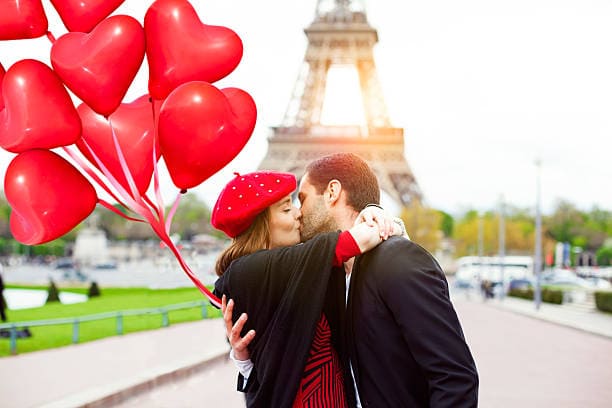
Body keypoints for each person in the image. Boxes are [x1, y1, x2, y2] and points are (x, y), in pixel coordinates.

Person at [226, 153, 479, 407]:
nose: (299, 213)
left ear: (332, 192)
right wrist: (244, 359)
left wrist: (384, 221)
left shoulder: (398, 260)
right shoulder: (323, 279)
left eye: (302, 199)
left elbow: (453, 376)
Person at [211, 170, 401, 408]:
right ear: (261, 222)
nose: (299, 213)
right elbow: (361, 238)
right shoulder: (255, 269)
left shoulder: (261, 276)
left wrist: (243, 360)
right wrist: (375, 213)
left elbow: (265, 368)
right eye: (286, 209)